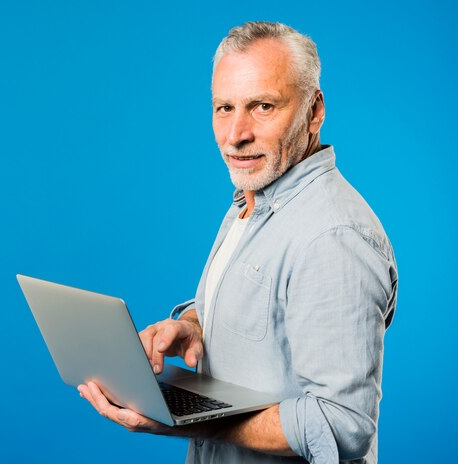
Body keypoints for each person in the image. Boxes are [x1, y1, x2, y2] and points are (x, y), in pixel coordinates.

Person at [78, 21, 397, 464]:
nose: (235, 135)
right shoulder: (253, 196)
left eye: (262, 106)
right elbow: (267, 318)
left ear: (314, 111)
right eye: (224, 107)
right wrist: (192, 325)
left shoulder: (333, 237)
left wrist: (185, 416)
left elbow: (342, 426)